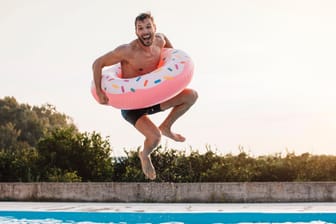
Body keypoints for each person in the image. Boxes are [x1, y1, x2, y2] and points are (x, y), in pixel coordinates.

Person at [92, 12, 198, 180]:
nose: (145, 31)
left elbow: (172, 55)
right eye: (140, 29)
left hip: (154, 99)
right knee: (155, 138)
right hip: (132, 105)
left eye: (148, 27)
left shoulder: (160, 41)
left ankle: (166, 127)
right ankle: (144, 155)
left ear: (155, 28)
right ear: (136, 32)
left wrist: (175, 77)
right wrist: (99, 91)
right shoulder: (127, 51)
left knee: (191, 96)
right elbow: (98, 63)